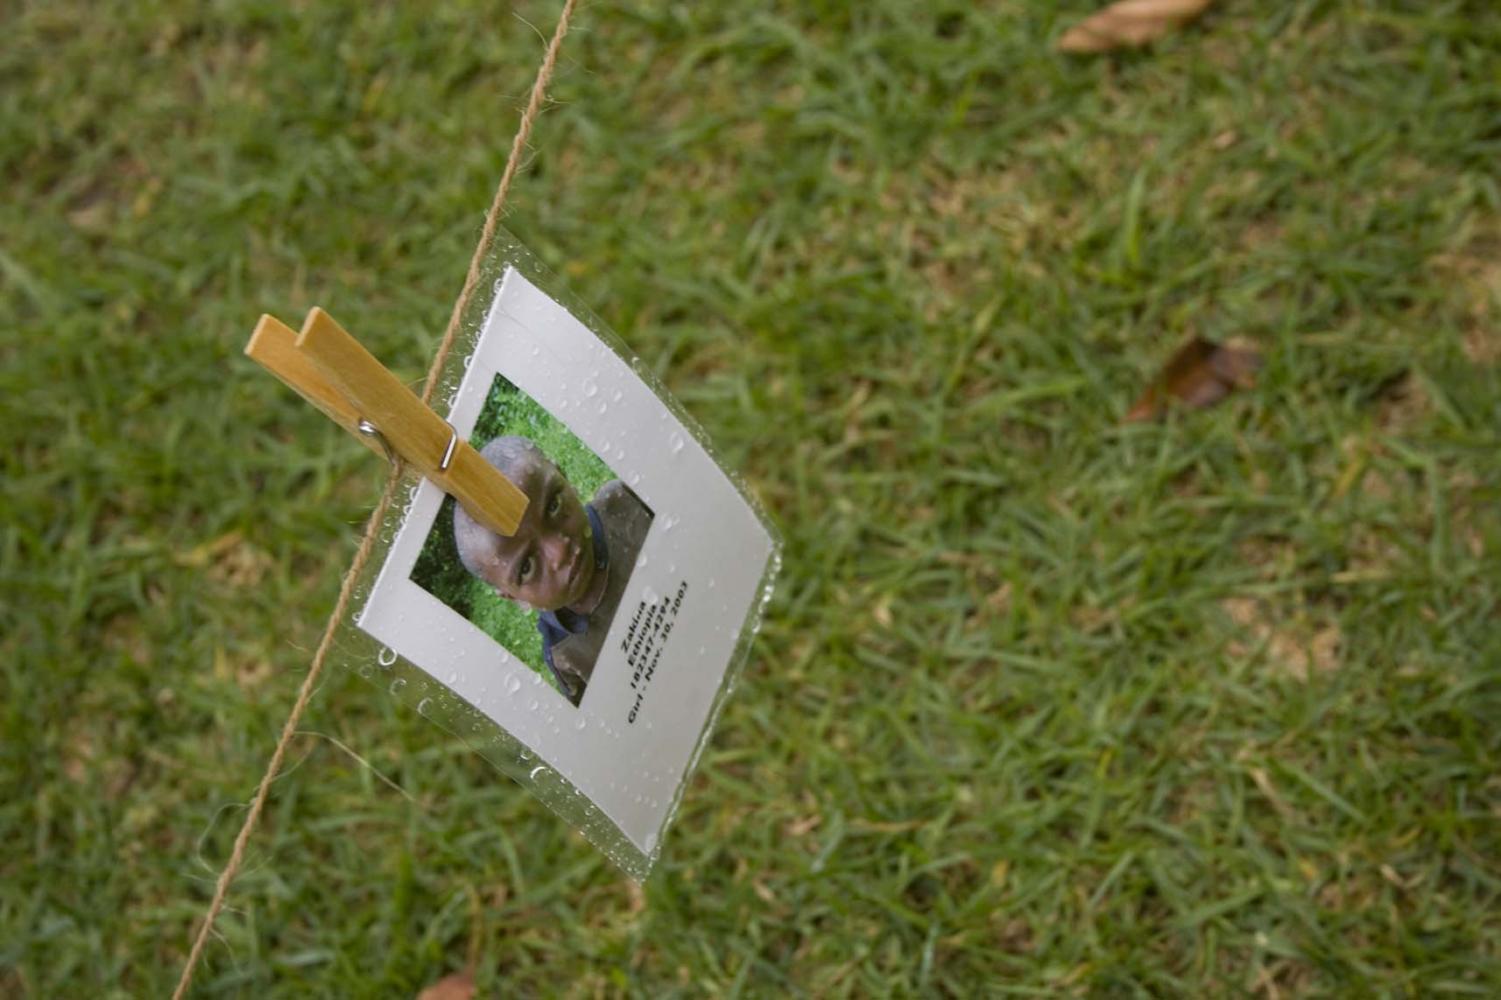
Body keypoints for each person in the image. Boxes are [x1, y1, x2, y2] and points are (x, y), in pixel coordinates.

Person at [453, 436, 652, 706]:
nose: (560, 551)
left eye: (554, 506)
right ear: (513, 597)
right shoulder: (564, 656)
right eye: (526, 566)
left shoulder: (625, 502)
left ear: (564, 477)